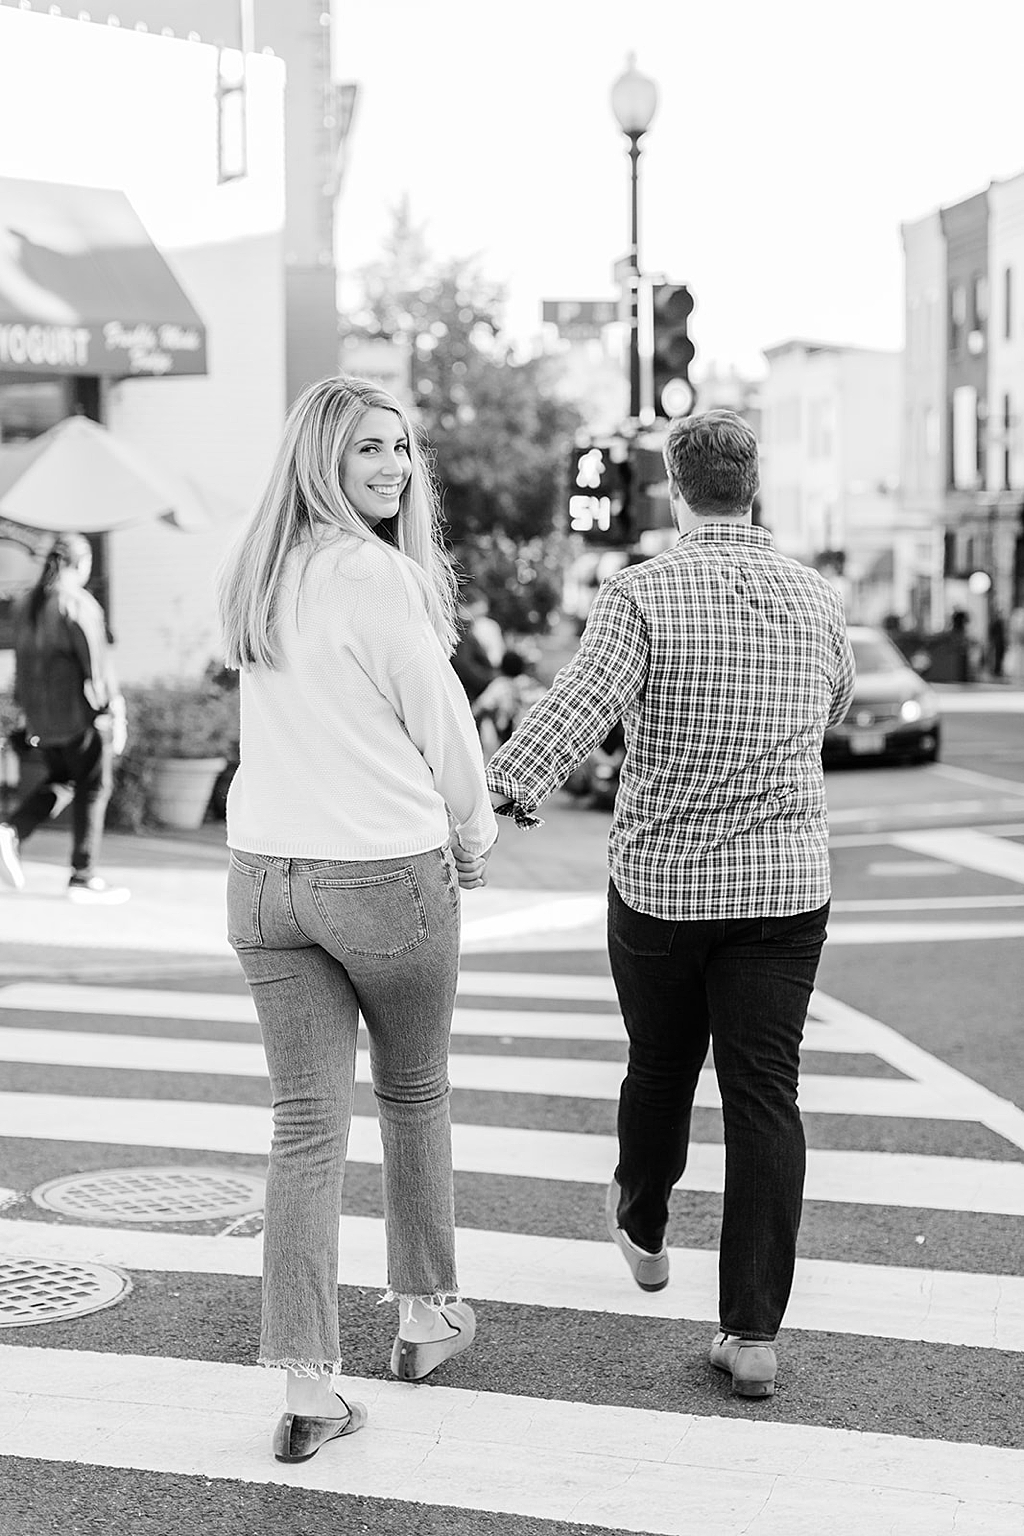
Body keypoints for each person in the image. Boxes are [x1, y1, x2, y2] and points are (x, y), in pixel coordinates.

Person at [486, 409, 854, 1400]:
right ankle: (751, 1334)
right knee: (763, 1095)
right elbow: (835, 706)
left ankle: (643, 1218)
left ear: (674, 486)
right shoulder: (818, 598)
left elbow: (577, 705)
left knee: (659, 1062)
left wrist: (500, 790)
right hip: (785, 887)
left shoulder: (642, 593)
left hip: (663, 884)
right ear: (754, 485)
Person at [216, 374, 497, 1463]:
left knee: (303, 1132)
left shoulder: (258, 571)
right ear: (321, 461)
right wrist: (470, 840)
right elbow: (445, 727)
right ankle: (426, 1317)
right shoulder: (374, 574)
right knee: (414, 1092)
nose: (391, 466)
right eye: (367, 449)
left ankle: (304, 1386)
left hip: (264, 882)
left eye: (399, 448)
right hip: (378, 873)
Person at [0, 531, 128, 903]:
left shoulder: (27, 605)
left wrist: (26, 716)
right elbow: (96, 665)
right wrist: (112, 711)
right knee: (93, 788)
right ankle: (83, 876)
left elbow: (20, 667)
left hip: (44, 719)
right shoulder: (77, 603)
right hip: (80, 718)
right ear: (81, 563)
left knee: (63, 780)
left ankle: (12, 831)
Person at [472, 649, 544, 749]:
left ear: (502, 668)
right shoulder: (533, 685)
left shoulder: (499, 685)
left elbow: (478, 709)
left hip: (508, 740)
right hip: (533, 738)